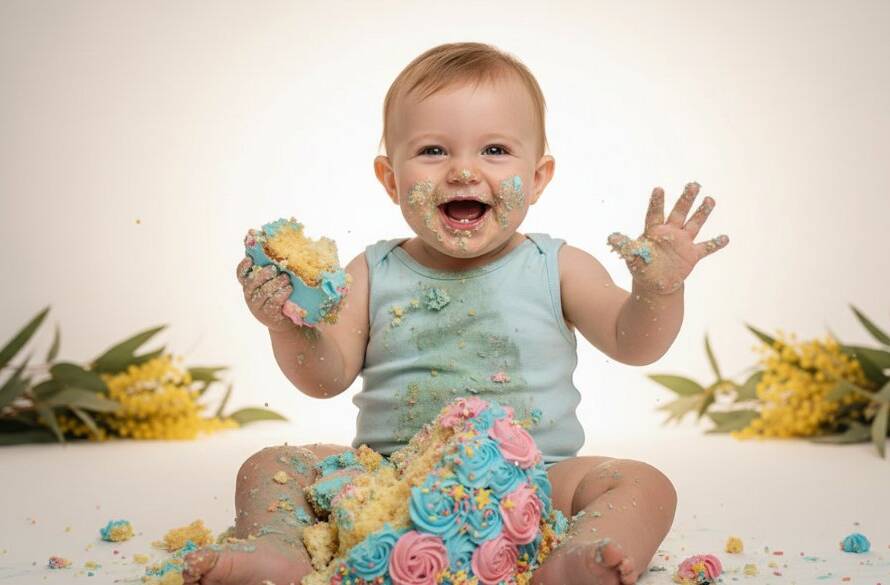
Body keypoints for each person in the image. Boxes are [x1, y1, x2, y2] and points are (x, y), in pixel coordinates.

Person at [183, 41, 729, 585]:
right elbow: (325, 379)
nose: (464, 170)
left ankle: (571, 560)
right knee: (271, 466)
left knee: (644, 483)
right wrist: (287, 325)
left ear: (538, 177)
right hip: (390, 483)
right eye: (433, 151)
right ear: (391, 179)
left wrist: (658, 291)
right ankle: (279, 552)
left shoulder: (559, 267)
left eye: (494, 150)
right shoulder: (372, 272)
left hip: (534, 481)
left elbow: (635, 344)